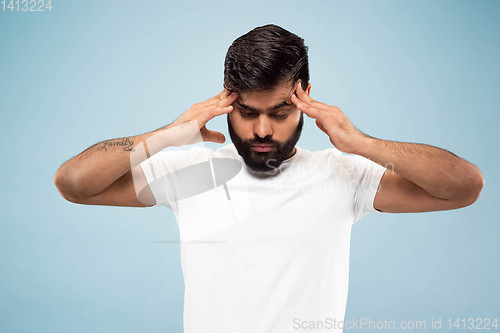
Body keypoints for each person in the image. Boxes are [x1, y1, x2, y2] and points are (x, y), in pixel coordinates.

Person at [54, 24, 484, 333]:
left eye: (279, 113)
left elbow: (465, 186)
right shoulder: (189, 173)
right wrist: (165, 136)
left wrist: (361, 143)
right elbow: (73, 183)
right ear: (228, 97)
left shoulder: (344, 175)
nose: (262, 131)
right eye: (248, 113)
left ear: (305, 97)